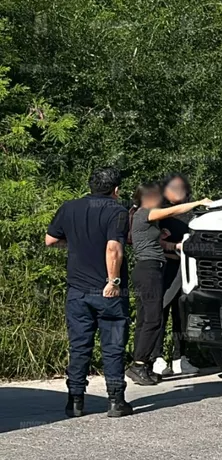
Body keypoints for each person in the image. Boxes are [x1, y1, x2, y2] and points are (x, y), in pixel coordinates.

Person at [45, 167, 133, 418]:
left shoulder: (69, 207)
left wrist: (75, 244)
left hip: (77, 290)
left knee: (80, 345)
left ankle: (75, 401)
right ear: (115, 190)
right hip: (107, 291)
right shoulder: (116, 210)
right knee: (113, 345)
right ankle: (116, 401)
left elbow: (50, 240)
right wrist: (113, 281)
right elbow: (113, 249)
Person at [125, 182, 210, 385]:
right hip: (148, 270)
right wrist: (199, 202)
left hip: (152, 269)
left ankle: (143, 365)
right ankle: (139, 365)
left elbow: (158, 243)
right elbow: (175, 210)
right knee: (153, 320)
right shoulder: (145, 213)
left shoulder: (147, 218)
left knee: (149, 319)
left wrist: (176, 245)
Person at [151, 173, 200, 377]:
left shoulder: (194, 215)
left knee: (182, 313)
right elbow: (152, 241)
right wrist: (174, 247)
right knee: (160, 311)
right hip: (166, 268)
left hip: (187, 270)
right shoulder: (159, 214)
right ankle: (156, 357)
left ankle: (180, 357)